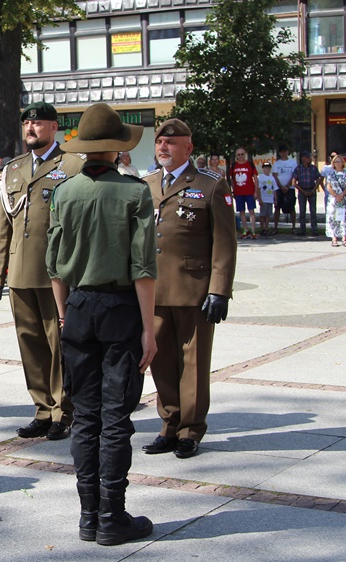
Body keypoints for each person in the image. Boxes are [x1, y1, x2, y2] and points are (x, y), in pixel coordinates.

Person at [46, 102, 156, 547]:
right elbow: (143, 267)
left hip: (78, 307)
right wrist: (149, 328)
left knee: (86, 416)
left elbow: (54, 265)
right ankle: (113, 516)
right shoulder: (135, 192)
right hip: (120, 308)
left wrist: (63, 313)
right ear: (116, 151)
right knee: (116, 418)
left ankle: (88, 516)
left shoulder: (64, 192)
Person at [0, 101, 85, 441]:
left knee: (59, 344)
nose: (31, 129)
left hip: (57, 271)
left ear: (54, 128)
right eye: (27, 124)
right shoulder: (13, 170)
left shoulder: (72, 165)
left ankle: (63, 411)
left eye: (39, 124)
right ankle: (42, 409)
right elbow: (3, 226)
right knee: (30, 343)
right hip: (20, 273)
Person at [141, 118, 237, 459]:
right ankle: (169, 424)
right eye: (159, 144)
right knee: (160, 361)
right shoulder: (146, 183)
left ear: (188, 148)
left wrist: (220, 290)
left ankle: (191, 430)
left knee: (193, 363)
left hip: (195, 290)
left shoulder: (211, 185)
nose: (163, 148)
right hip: (154, 291)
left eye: (171, 143)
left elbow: (225, 242)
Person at [325, 154, 346, 246]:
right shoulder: (331, 174)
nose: (338, 163)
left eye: (339, 161)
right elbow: (328, 187)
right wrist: (336, 195)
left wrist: (342, 195)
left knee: (344, 219)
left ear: (343, 162)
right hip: (334, 200)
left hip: (345, 198)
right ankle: (334, 238)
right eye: (336, 162)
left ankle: (344, 238)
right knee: (333, 218)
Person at [228, 147, 258, 239]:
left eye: (242, 154)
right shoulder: (233, 166)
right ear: (236, 156)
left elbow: (256, 179)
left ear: (245, 154)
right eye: (238, 154)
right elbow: (232, 179)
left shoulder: (250, 164)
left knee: (251, 211)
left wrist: (256, 191)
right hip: (239, 193)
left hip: (249, 191)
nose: (240, 156)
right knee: (241, 212)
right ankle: (245, 229)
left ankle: (253, 230)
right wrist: (233, 190)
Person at [293, 151, 323, 236]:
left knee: (313, 211)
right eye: (307, 157)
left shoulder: (313, 168)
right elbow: (294, 182)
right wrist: (303, 191)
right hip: (302, 191)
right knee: (302, 211)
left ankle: (314, 229)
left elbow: (318, 179)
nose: (309, 159)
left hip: (312, 190)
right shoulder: (298, 168)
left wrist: (314, 190)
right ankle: (302, 230)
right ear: (302, 158)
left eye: (309, 157)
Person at [272, 145, 297, 235]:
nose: (283, 153)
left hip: (290, 188)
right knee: (277, 207)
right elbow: (275, 175)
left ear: (287, 152)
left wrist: (287, 185)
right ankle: (275, 227)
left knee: (291, 208)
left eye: (285, 151)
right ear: (279, 153)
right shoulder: (277, 164)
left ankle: (294, 227)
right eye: (281, 152)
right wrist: (281, 186)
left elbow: (294, 175)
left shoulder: (292, 163)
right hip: (279, 188)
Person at [257, 162, 279, 236]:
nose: (267, 169)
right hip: (263, 198)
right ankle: (262, 228)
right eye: (265, 168)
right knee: (262, 214)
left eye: (268, 168)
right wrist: (259, 199)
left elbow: (275, 189)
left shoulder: (272, 178)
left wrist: (275, 199)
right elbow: (258, 188)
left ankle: (266, 228)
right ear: (263, 169)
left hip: (270, 199)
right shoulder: (260, 177)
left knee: (268, 215)